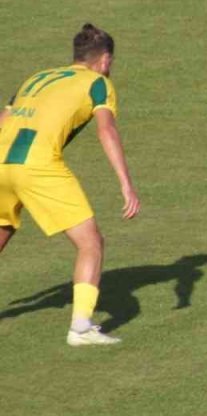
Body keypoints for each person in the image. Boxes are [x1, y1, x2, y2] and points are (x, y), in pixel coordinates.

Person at [0, 23, 141, 346]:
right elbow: (107, 131)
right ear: (104, 60)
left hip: (1, 163)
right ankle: (81, 327)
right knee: (91, 242)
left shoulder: (37, 78)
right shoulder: (98, 83)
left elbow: (4, 119)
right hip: (38, 167)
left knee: (2, 231)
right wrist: (126, 185)